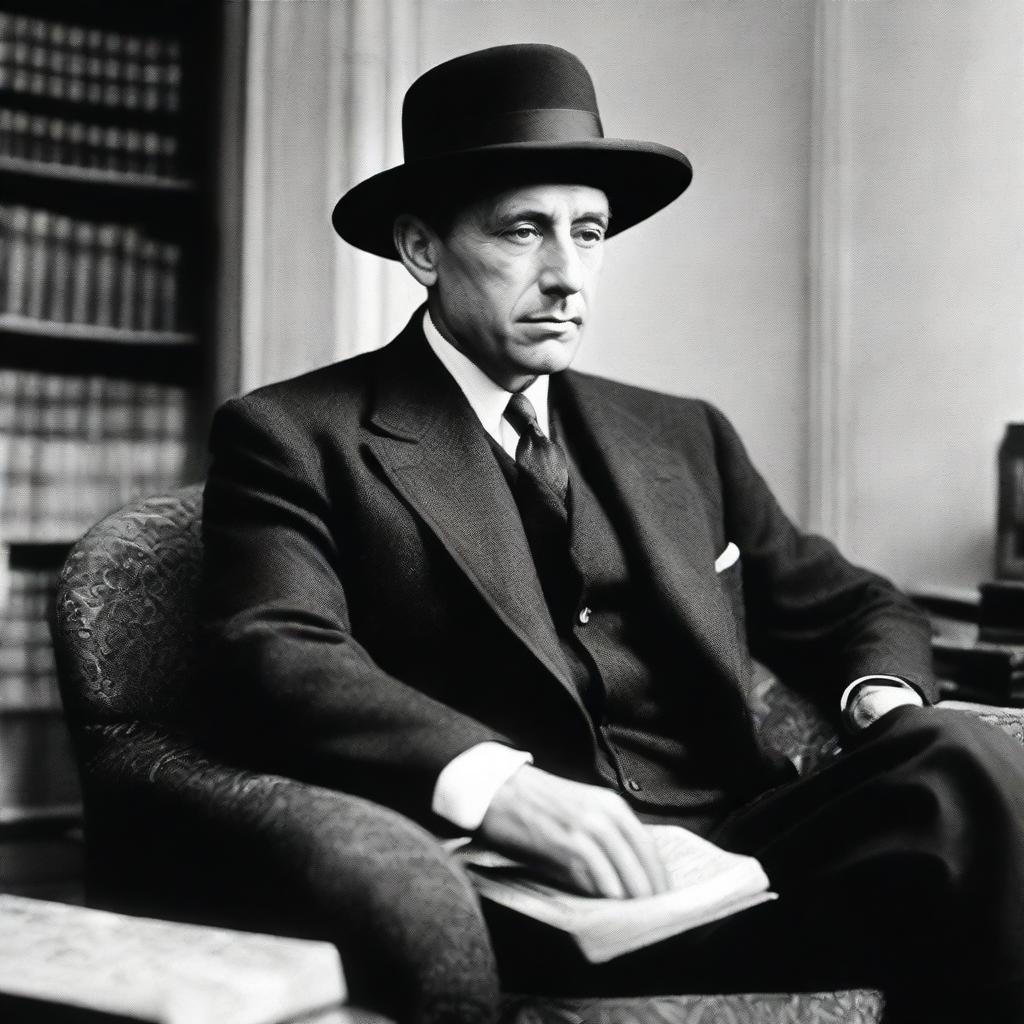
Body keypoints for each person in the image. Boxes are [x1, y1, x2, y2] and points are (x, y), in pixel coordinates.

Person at [202, 43, 1024, 1022]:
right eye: (523, 232)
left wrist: (880, 702)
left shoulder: (678, 432)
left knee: (951, 756)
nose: (566, 277)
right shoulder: (296, 435)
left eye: (587, 234)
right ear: (422, 248)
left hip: (736, 850)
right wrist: (499, 787)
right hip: (532, 890)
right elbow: (275, 650)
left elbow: (856, 602)